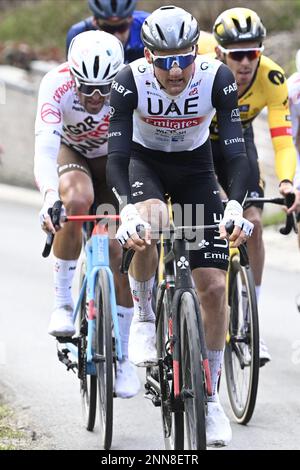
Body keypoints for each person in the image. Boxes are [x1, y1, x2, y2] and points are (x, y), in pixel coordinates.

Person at [107, 5, 254, 447]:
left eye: (183, 58)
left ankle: (208, 398)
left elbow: (235, 152)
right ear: (148, 56)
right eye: (164, 60)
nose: (175, 70)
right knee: (150, 221)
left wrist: (236, 206)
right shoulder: (128, 79)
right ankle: (145, 311)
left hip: (195, 170)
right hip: (144, 163)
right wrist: (125, 208)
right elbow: (115, 155)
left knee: (212, 285)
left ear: (197, 51)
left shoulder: (217, 77)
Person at [34, 30, 140, 399]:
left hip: (114, 160)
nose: (95, 98)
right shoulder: (55, 85)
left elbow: (143, 145)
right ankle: (63, 303)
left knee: (118, 248)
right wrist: (50, 196)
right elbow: (45, 149)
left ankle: (123, 356)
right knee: (76, 201)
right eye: (87, 88)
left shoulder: (131, 83)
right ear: (72, 75)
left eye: (103, 89)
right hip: (73, 154)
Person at [212, 7, 297, 365]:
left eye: (253, 52)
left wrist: (288, 180)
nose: (246, 62)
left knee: (255, 223)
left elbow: (281, 139)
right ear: (220, 53)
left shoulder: (272, 78)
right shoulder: (203, 73)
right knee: (198, 216)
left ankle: (250, 318)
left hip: (238, 143)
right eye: (237, 54)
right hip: (198, 144)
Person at [66, 0, 149, 63]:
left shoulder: (148, 27)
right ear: (95, 22)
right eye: (108, 29)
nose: (116, 35)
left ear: (131, 18)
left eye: (122, 27)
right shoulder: (78, 35)